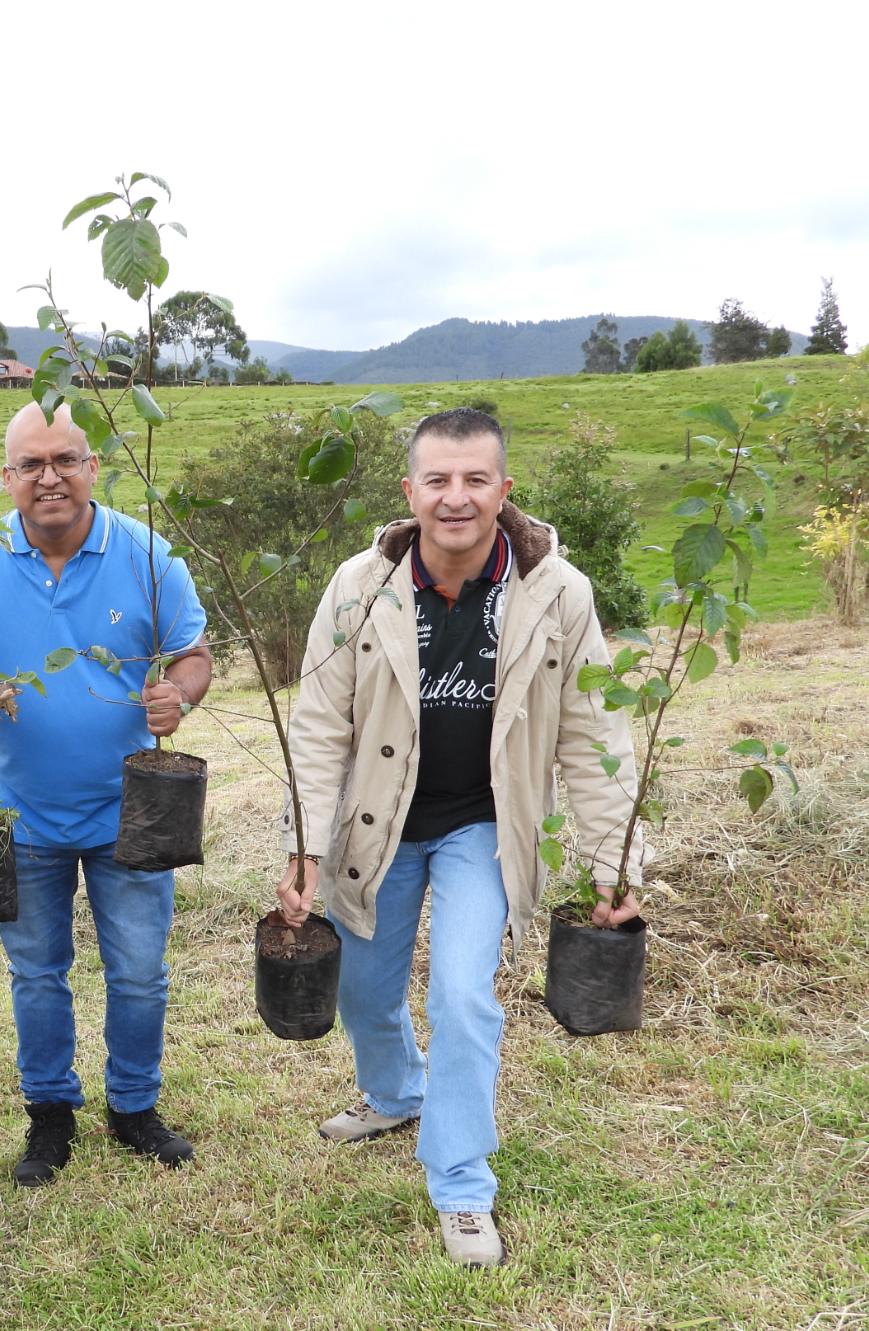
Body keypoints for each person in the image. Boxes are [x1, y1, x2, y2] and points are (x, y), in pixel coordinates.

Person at [275, 407, 643, 1269]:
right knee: (362, 995)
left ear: (504, 490)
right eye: (438, 479)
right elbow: (321, 724)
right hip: (380, 823)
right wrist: (302, 845)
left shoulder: (558, 591)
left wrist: (609, 860)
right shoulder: (359, 585)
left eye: (476, 479)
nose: (456, 497)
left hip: (487, 824)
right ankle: (398, 1090)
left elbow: (594, 732)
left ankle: (463, 1180)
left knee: (464, 997)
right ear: (409, 492)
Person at [0, 402, 212, 1187]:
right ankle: (50, 1114)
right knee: (37, 971)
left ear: (92, 465)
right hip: (26, 814)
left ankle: (133, 1107)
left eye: (65, 459)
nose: (49, 476)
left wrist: (176, 697)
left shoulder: (148, 556)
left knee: (141, 969)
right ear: (7, 477)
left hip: (134, 811)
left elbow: (193, 655)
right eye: (30, 464)